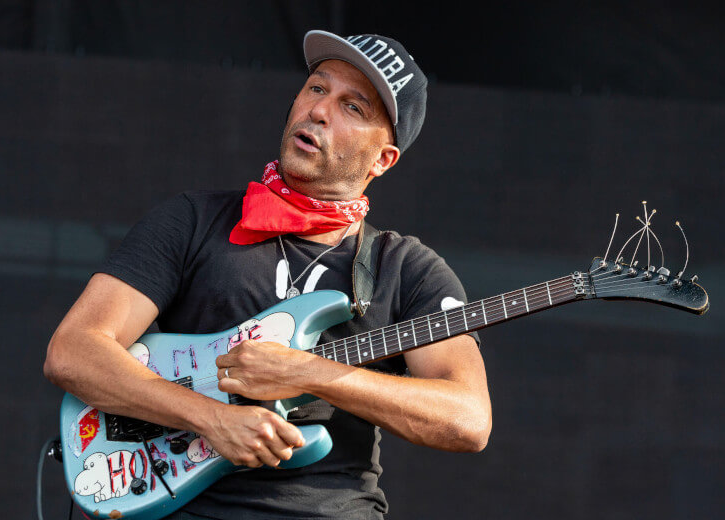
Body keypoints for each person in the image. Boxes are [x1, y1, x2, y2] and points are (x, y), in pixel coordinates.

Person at [44, 30, 492, 519]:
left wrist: (311, 373)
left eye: (353, 108)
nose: (319, 110)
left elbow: (467, 419)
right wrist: (211, 419)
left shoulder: (406, 269)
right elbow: (73, 351)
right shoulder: (194, 220)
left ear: (383, 159)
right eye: (317, 88)